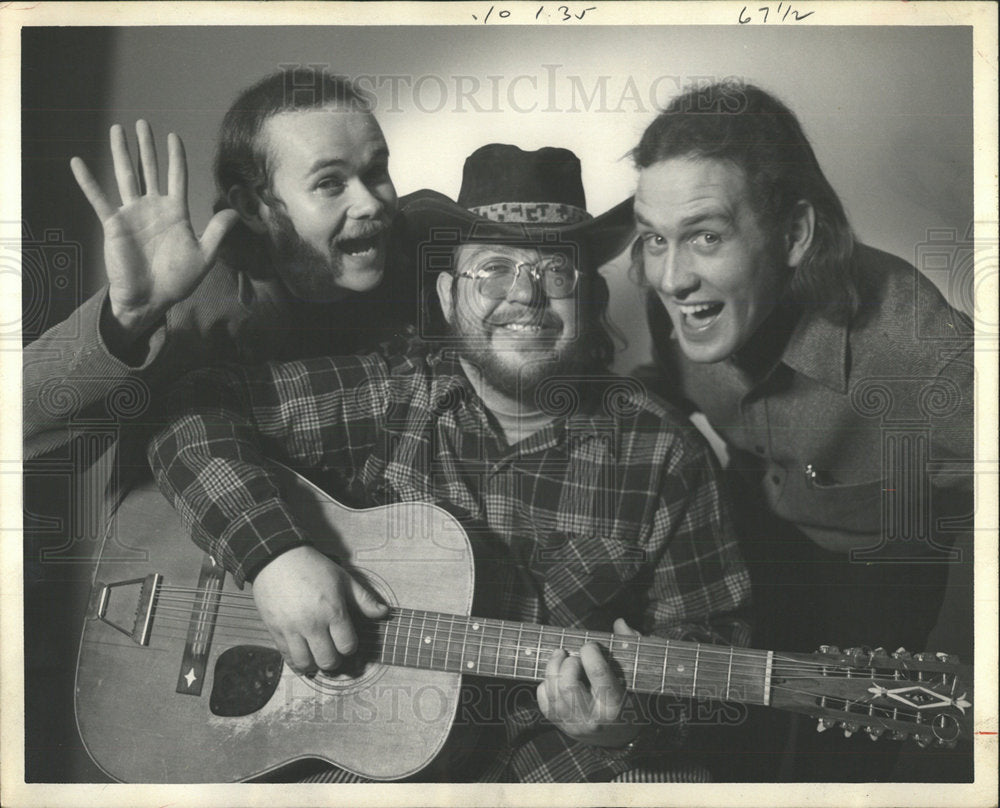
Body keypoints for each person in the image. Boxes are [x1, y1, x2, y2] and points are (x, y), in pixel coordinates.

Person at [147, 144, 751, 783]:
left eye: (555, 272)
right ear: (444, 295)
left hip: (561, 757)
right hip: (367, 747)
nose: (524, 295)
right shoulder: (391, 394)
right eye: (492, 270)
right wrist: (272, 556)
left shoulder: (663, 453)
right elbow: (191, 407)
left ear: (591, 299)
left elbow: (713, 648)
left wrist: (630, 723)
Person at [21, 67, 414, 782]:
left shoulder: (419, 260)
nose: (371, 202)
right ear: (256, 205)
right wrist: (127, 320)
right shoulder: (204, 298)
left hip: (351, 682)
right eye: (330, 183)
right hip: (179, 663)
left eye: (377, 170)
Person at [628, 80, 974, 781]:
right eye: (654, 238)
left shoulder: (923, 349)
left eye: (706, 236)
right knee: (721, 747)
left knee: (841, 768)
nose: (672, 278)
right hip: (753, 535)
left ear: (794, 235)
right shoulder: (679, 289)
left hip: (881, 576)